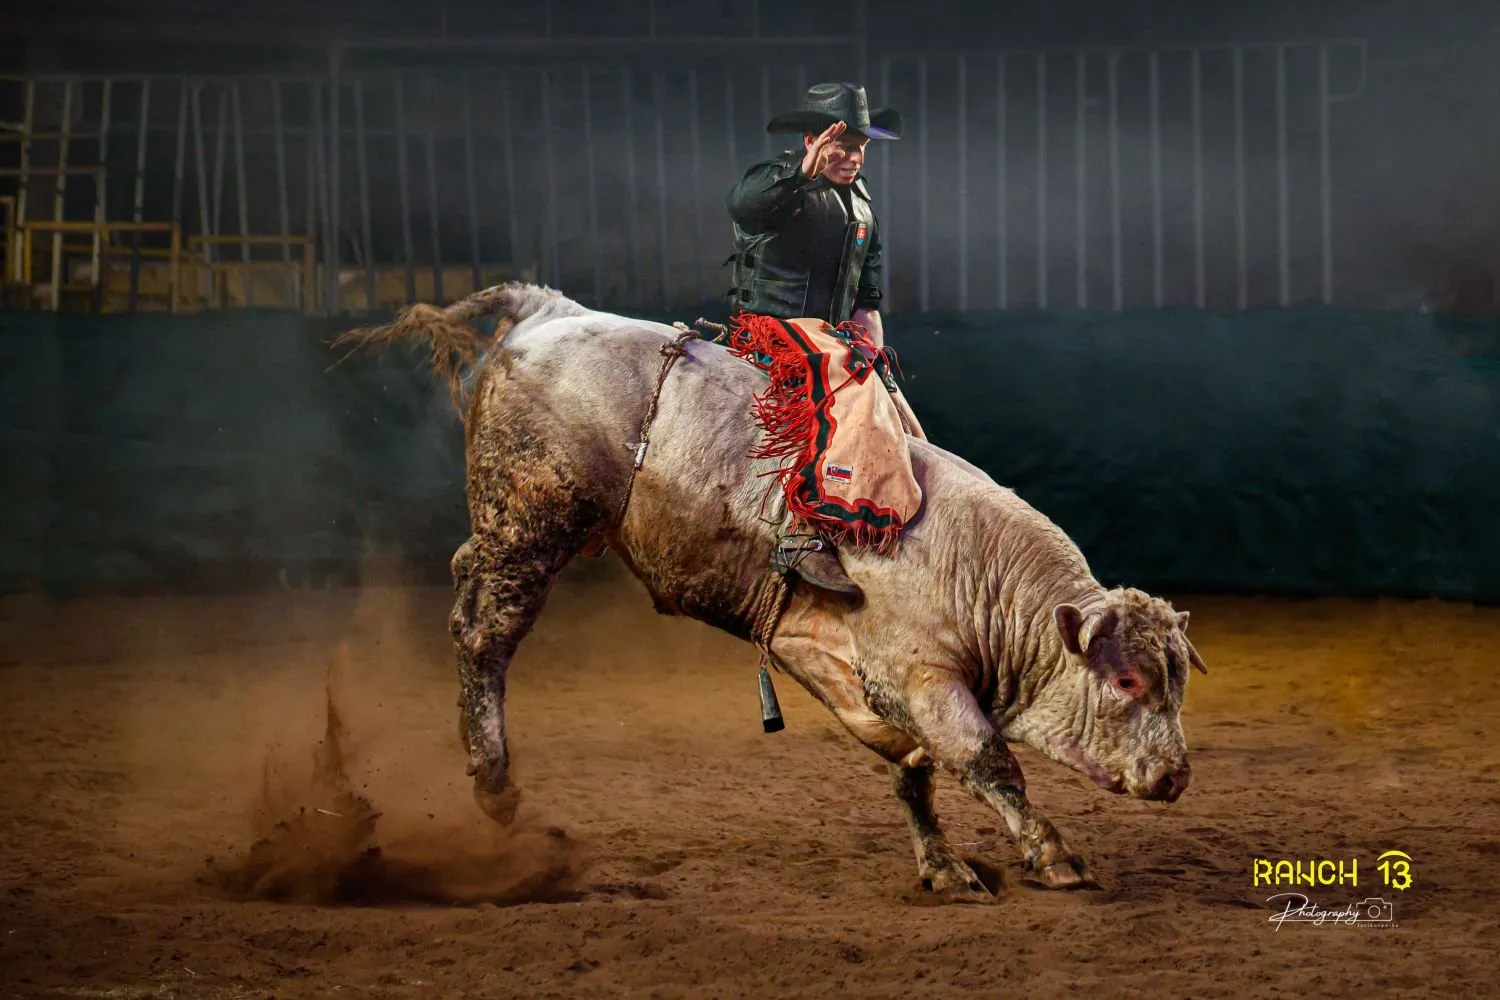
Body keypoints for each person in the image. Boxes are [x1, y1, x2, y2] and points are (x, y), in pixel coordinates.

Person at [723, 81, 926, 440]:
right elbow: (744, 204)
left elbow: (866, 299)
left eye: (860, 147)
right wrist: (802, 173)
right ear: (811, 141)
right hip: (776, 341)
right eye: (843, 146)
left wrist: (876, 364)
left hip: (835, 346)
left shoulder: (861, 204)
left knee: (905, 429)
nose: (855, 158)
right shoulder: (778, 180)